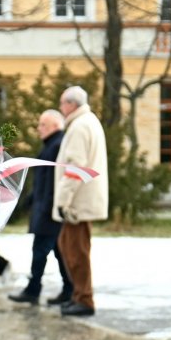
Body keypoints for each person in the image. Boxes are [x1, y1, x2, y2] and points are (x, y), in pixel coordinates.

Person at [53, 85, 108, 317]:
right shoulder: (88, 121)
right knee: (70, 247)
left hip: (77, 202)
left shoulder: (80, 126)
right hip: (82, 198)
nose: (60, 107)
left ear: (72, 104)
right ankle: (79, 296)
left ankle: (84, 299)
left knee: (76, 252)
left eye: (63, 103)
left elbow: (75, 167)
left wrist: (63, 201)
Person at [8, 109, 73, 305]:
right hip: (46, 209)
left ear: (55, 126)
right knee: (58, 252)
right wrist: (29, 200)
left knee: (40, 252)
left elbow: (56, 181)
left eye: (43, 125)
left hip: (48, 212)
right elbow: (43, 180)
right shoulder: (51, 145)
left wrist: (46, 206)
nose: (38, 129)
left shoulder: (57, 145)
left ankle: (34, 290)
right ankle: (69, 290)